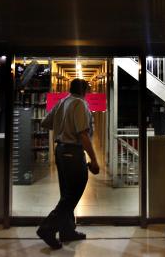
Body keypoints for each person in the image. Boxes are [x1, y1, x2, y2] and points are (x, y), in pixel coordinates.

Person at [36, 78, 100, 249]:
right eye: (88, 89)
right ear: (84, 89)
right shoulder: (79, 103)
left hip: (60, 151)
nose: (89, 92)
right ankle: (47, 228)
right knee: (73, 193)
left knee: (67, 192)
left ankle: (67, 230)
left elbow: (45, 122)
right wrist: (94, 159)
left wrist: (62, 126)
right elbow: (83, 134)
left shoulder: (62, 102)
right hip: (73, 152)